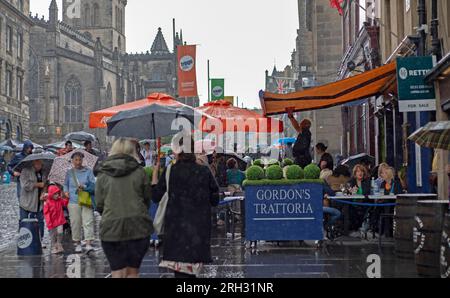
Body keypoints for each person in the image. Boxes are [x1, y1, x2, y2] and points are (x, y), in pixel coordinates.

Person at [152, 134, 219, 278]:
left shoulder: (171, 170)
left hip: (176, 229)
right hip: (198, 229)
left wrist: (155, 175)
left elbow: (156, 196)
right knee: (192, 272)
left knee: (180, 272)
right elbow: (215, 199)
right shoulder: (203, 171)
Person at [96, 138, 153, 278]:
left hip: (111, 227)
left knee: (117, 271)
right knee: (133, 272)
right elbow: (147, 199)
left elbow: (99, 204)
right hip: (137, 227)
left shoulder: (103, 174)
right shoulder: (140, 172)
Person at [63, 152, 96, 253]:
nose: (78, 162)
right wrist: (66, 191)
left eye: (80, 159)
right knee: (75, 222)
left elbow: (93, 184)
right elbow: (65, 184)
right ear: (72, 161)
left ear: (82, 160)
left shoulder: (88, 171)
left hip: (86, 200)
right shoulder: (69, 172)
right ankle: (77, 243)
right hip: (73, 200)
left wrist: (84, 186)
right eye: (76, 160)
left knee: (88, 221)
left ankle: (88, 243)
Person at [19, 159, 48, 242]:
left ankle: (40, 240)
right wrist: (37, 184)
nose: (39, 165)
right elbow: (25, 185)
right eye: (37, 163)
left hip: (39, 203)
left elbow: (45, 184)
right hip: (26, 202)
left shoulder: (44, 172)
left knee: (40, 222)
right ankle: (24, 242)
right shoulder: (25, 171)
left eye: (40, 163)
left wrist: (44, 192)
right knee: (24, 222)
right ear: (33, 162)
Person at [43, 185, 69, 254]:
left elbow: (65, 203)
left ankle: (59, 243)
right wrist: (49, 223)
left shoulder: (59, 200)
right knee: (53, 235)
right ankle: (54, 246)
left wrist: (66, 198)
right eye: (55, 194)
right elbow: (46, 214)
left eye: (58, 193)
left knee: (60, 232)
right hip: (52, 223)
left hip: (60, 220)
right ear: (51, 194)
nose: (57, 195)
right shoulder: (47, 202)